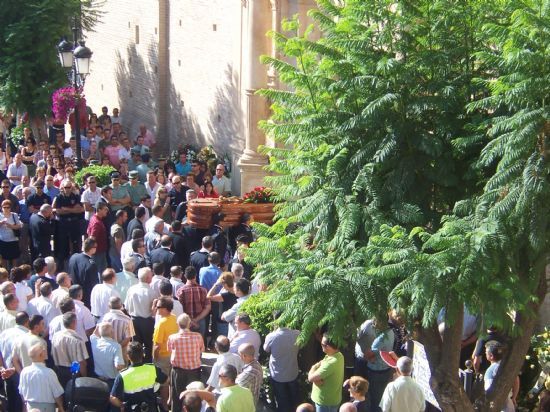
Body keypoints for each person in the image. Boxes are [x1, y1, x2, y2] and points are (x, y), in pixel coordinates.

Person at [110, 341, 167, 410]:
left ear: (128, 356)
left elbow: (113, 398)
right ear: (143, 354)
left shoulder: (122, 375)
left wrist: (122, 405)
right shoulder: (152, 369)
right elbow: (166, 380)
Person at [355, 317, 395, 412]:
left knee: (373, 397)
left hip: (375, 370)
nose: (374, 324)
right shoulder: (390, 332)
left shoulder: (381, 338)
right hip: (383, 369)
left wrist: (370, 356)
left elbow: (368, 354)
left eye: (376, 322)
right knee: (378, 396)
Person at [168, 313, 205, 412]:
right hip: (194, 371)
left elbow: (170, 350)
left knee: (177, 398)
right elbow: (202, 350)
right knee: (193, 399)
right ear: (189, 324)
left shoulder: (172, 338)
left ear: (178, 324)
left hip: (178, 372)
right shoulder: (198, 336)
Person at [264, 315, 301, 412]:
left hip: (278, 375)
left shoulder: (271, 336)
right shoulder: (297, 334)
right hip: (293, 372)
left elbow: (266, 349)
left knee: (282, 401)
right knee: (295, 399)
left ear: (276, 321)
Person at [18, 342, 65, 412]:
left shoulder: (24, 372)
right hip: (46, 408)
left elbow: (21, 392)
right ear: (41, 354)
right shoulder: (49, 372)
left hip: (30, 407)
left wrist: (25, 405)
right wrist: (61, 407)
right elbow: (57, 393)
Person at [124, 267, 156, 362]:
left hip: (133, 320)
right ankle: (148, 363)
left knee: (134, 345)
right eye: (151, 276)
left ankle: (135, 362)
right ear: (147, 278)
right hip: (147, 322)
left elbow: (126, 306)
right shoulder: (151, 292)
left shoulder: (131, 289)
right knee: (149, 345)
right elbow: (153, 310)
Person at [152, 296, 179, 408]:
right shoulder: (175, 318)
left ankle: (164, 406)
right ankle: (170, 402)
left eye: (158, 307)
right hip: (173, 354)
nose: (156, 309)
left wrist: (154, 358)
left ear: (165, 308)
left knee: (163, 383)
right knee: (172, 381)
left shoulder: (161, 323)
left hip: (162, 357)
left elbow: (157, 345)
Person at [308, 334, 345, 412]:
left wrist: (313, 368)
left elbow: (310, 378)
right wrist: (317, 380)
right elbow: (321, 364)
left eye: (322, 344)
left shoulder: (331, 363)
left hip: (325, 403)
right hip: (331, 400)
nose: (321, 345)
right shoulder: (338, 355)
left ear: (328, 346)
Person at [51, 312, 89, 388]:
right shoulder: (77, 340)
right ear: (74, 322)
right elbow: (81, 362)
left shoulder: (55, 336)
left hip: (58, 370)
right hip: (73, 370)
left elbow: (52, 353)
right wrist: (85, 377)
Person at [53, 180, 84, 265]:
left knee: (76, 243)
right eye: (65, 187)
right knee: (63, 244)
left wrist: (67, 209)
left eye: (69, 187)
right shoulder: (59, 197)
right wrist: (73, 210)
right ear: (62, 188)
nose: (67, 189)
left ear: (71, 187)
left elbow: (81, 210)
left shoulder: (76, 196)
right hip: (63, 223)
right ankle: (62, 263)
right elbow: (59, 211)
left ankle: (77, 261)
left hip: (74, 222)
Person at [483, 341, 518, 412]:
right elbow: (516, 380)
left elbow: (489, 391)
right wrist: (514, 397)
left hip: (499, 407)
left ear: (491, 356)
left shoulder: (490, 371)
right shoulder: (507, 366)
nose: (485, 353)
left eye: (486, 352)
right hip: (509, 404)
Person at [176, 266, 211, 338]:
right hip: (200, 320)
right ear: (195, 275)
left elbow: (179, 309)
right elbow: (208, 307)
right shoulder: (203, 290)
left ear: (185, 276)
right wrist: (196, 320)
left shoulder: (180, 291)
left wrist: (190, 320)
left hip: (185, 321)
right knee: (200, 343)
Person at [90, 322, 125, 388]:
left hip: (97, 379)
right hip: (111, 382)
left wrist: (99, 326)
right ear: (112, 333)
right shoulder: (116, 346)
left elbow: (94, 334)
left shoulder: (94, 341)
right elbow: (119, 366)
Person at [68, 238, 99, 308]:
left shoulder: (73, 257)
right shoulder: (91, 264)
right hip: (85, 297)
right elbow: (93, 284)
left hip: (73, 292)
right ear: (92, 249)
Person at [206, 272, 237, 338]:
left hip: (223, 321)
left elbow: (208, 296)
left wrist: (216, 284)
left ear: (225, 284)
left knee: (223, 341)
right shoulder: (237, 291)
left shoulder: (224, 296)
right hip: (234, 319)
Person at [87, 201, 109, 273]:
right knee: (101, 272)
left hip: (99, 251)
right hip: (98, 252)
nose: (107, 211)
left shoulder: (93, 218)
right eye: (105, 209)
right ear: (99, 210)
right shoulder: (97, 223)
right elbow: (92, 238)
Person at [0, 199, 22, 268]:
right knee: (3, 259)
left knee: (14, 258)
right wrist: (1, 223)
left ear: (10, 208)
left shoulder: (14, 215)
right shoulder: (0, 215)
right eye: (4, 207)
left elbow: (19, 226)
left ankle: (13, 273)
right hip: (3, 240)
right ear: (1, 207)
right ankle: (4, 274)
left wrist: (11, 226)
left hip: (13, 240)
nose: (6, 209)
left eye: (8, 207)